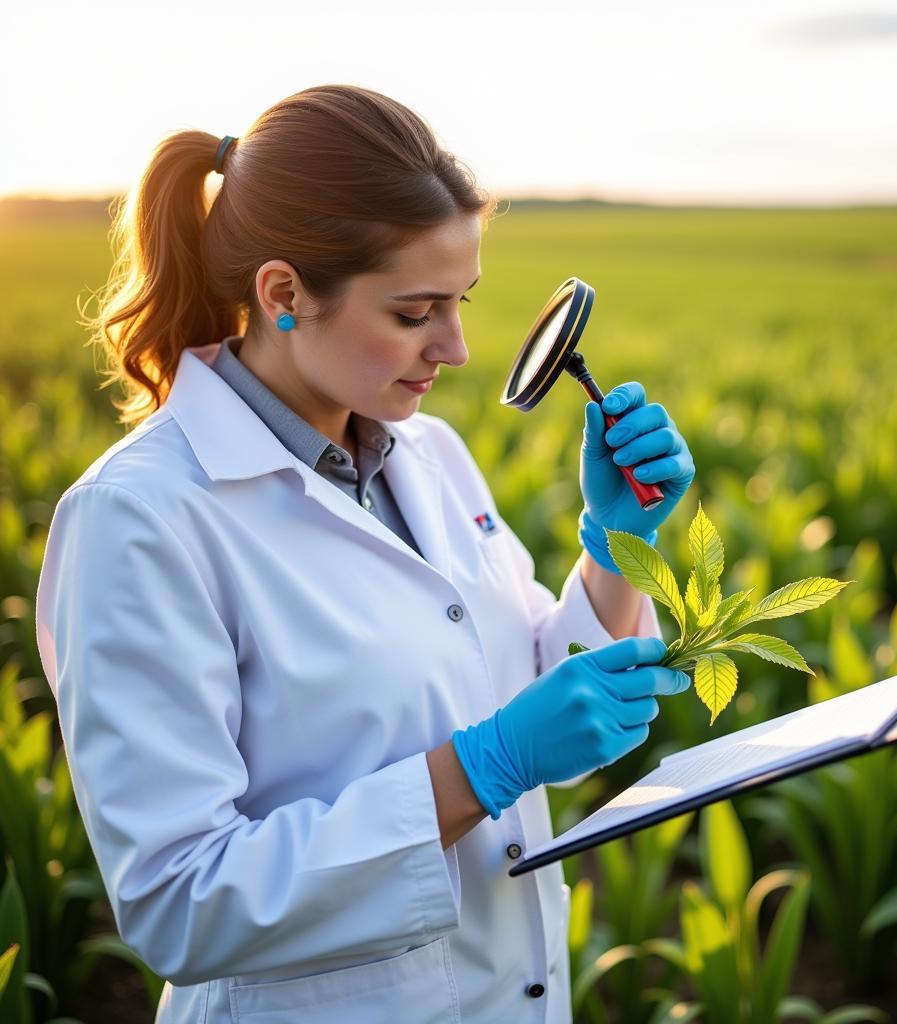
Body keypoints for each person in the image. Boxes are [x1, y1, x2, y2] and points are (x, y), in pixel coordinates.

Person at [34, 84, 696, 1024]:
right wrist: (485, 768)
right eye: (416, 311)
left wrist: (620, 546)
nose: (458, 348)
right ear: (284, 293)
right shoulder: (139, 520)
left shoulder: (429, 456)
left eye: (460, 302)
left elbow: (532, 694)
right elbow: (180, 899)